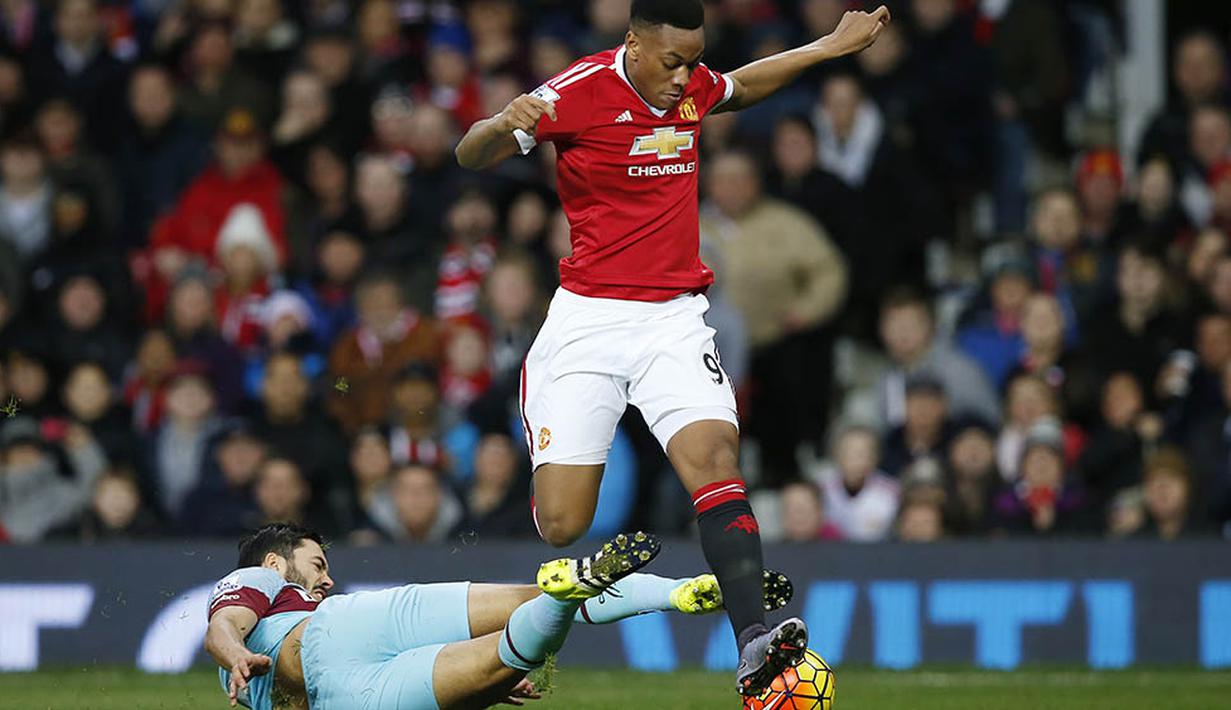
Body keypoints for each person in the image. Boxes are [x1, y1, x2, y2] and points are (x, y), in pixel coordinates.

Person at [454, 0, 891, 693]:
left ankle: (752, 642)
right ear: (633, 44)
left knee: (714, 460)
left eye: (693, 62)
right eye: (672, 62)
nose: (686, 77)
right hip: (589, 323)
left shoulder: (690, 87)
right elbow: (469, 154)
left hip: (674, 320)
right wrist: (499, 124)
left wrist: (827, 48)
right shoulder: (576, 92)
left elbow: (742, 84)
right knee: (563, 525)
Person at [204, 523, 788, 709]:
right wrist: (236, 656)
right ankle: (671, 591)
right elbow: (222, 628)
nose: (327, 577)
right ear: (277, 562)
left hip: (343, 675)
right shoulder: (261, 576)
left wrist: (238, 658)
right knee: (521, 611)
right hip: (349, 642)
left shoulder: (281, 612)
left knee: (508, 655)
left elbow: (226, 635)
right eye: (318, 564)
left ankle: (578, 594)